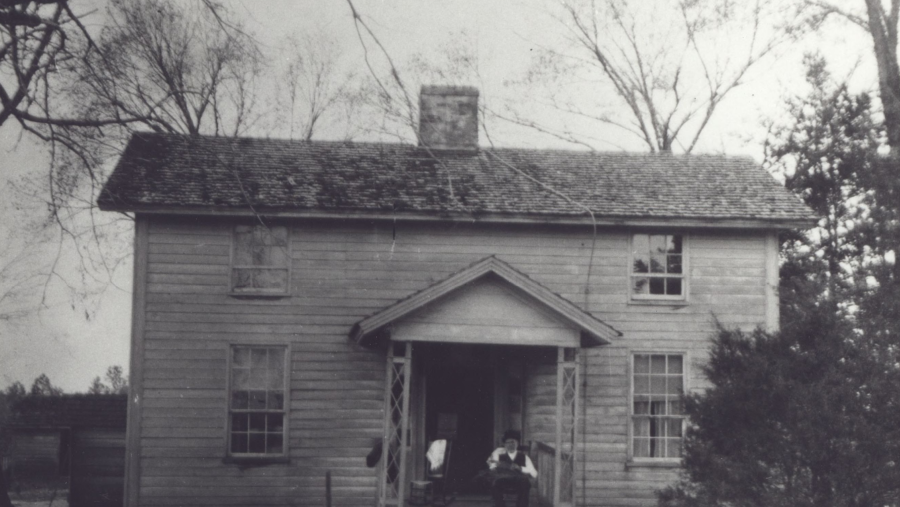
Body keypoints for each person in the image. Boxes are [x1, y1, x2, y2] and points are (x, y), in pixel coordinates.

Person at [486, 430, 537, 507]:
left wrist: (520, 468)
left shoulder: (524, 456)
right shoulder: (498, 453)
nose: (510, 445)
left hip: (518, 482)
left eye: (513, 442)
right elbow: (491, 466)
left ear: (517, 443)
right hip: (503, 480)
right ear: (504, 444)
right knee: (495, 484)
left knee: (526, 483)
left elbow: (534, 473)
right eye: (508, 442)